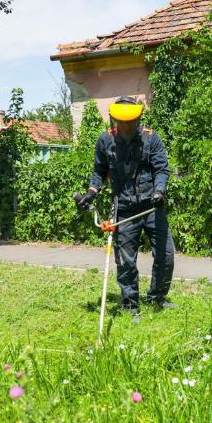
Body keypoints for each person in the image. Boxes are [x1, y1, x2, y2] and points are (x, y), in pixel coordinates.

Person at [74, 96, 176, 324]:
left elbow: (162, 169)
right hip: (125, 210)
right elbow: (99, 172)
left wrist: (160, 190)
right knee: (126, 261)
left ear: (139, 119)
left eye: (131, 123)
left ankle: (157, 298)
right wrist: (91, 192)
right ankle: (131, 306)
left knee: (166, 255)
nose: (127, 127)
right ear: (114, 120)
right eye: (122, 123)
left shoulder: (151, 139)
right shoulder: (105, 141)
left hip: (152, 207)